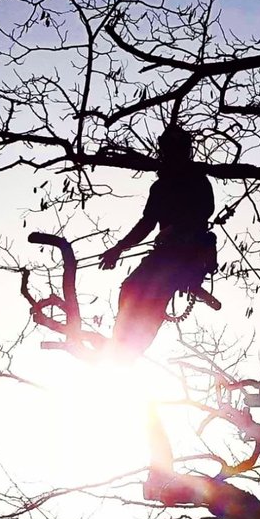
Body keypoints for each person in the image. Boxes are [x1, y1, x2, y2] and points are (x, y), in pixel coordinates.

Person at [100, 125, 218, 357]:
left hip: (189, 250)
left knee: (154, 296)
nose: (172, 153)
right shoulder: (161, 186)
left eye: (177, 148)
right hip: (165, 252)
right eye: (169, 149)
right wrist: (119, 248)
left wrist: (179, 226)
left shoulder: (197, 179)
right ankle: (120, 344)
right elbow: (147, 223)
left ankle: (131, 350)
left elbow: (205, 210)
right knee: (131, 287)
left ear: (185, 150)